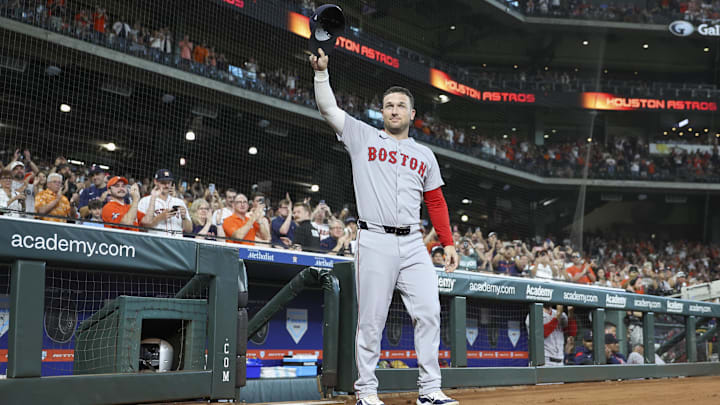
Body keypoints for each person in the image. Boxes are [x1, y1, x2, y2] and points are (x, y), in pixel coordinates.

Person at [311, 47, 458, 405]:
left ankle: (429, 391)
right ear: (383, 110)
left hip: (412, 244)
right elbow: (329, 109)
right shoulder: (363, 137)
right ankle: (366, 392)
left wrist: (447, 241)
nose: (394, 110)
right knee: (372, 321)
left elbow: (435, 201)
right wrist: (321, 74)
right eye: (388, 105)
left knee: (429, 313)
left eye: (400, 105)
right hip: (373, 239)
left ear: (412, 113)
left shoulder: (425, 154)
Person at [137, 169, 192, 236]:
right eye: (163, 182)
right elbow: (141, 227)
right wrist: (160, 218)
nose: (166, 185)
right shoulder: (145, 201)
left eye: (169, 183)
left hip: (176, 243)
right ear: (155, 182)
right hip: (155, 243)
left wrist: (184, 218)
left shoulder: (179, 202)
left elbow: (189, 230)